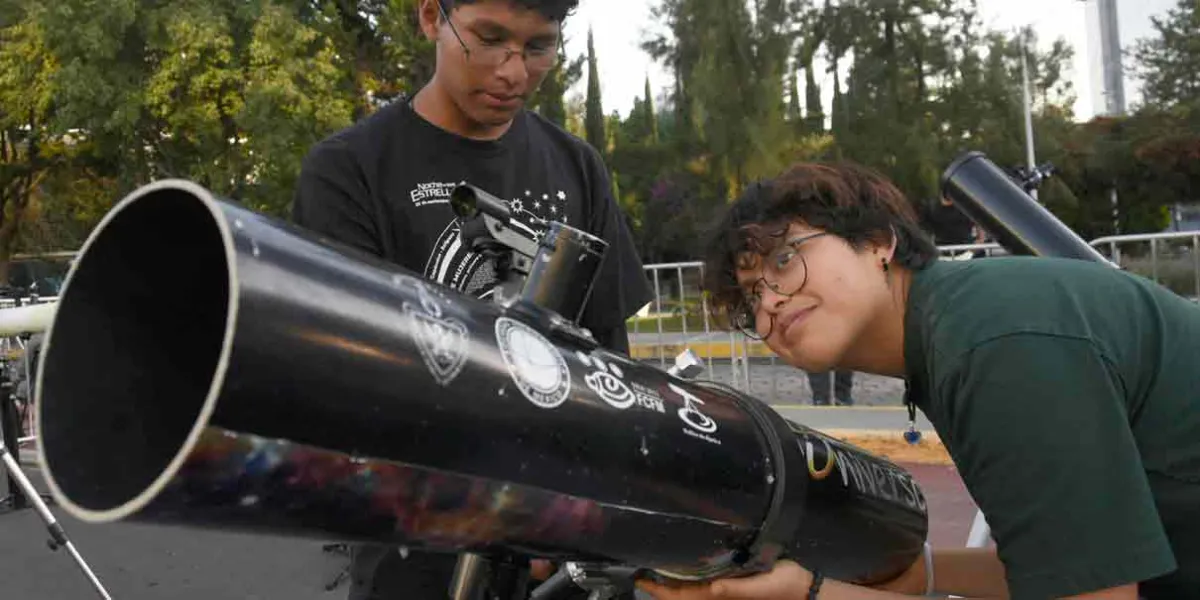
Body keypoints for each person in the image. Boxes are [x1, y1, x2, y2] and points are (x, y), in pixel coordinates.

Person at [637, 163, 1200, 599]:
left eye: (783, 259)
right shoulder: (957, 327)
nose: (770, 305)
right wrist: (920, 573)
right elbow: (1069, 559)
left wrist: (814, 594)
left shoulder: (992, 342)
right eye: (750, 298)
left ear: (879, 242)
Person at [290, 1, 653, 598]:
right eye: (489, 39)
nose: (513, 72)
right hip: (418, 555)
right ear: (432, 16)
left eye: (539, 48)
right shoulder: (349, 171)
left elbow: (612, 363)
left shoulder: (578, 167)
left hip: (568, 554)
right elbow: (348, 386)